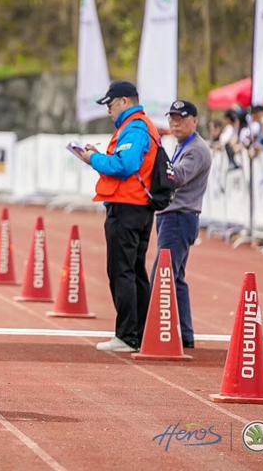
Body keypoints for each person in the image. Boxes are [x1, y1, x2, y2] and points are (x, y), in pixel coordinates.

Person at [76, 80, 159, 352]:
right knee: (134, 271)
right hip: (135, 206)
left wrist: (93, 160)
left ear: (124, 102)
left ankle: (127, 336)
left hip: (128, 208)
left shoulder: (135, 128)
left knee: (122, 271)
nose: (109, 112)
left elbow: (125, 166)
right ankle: (138, 333)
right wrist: (99, 157)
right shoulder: (138, 126)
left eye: (110, 105)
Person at [154, 100, 211, 350]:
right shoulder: (183, 145)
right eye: (172, 118)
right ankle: (184, 335)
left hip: (179, 217)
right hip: (174, 216)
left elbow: (175, 177)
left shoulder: (196, 149)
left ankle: (159, 332)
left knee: (163, 275)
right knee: (174, 278)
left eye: (181, 118)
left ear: (195, 121)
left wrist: (153, 158)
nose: (175, 123)